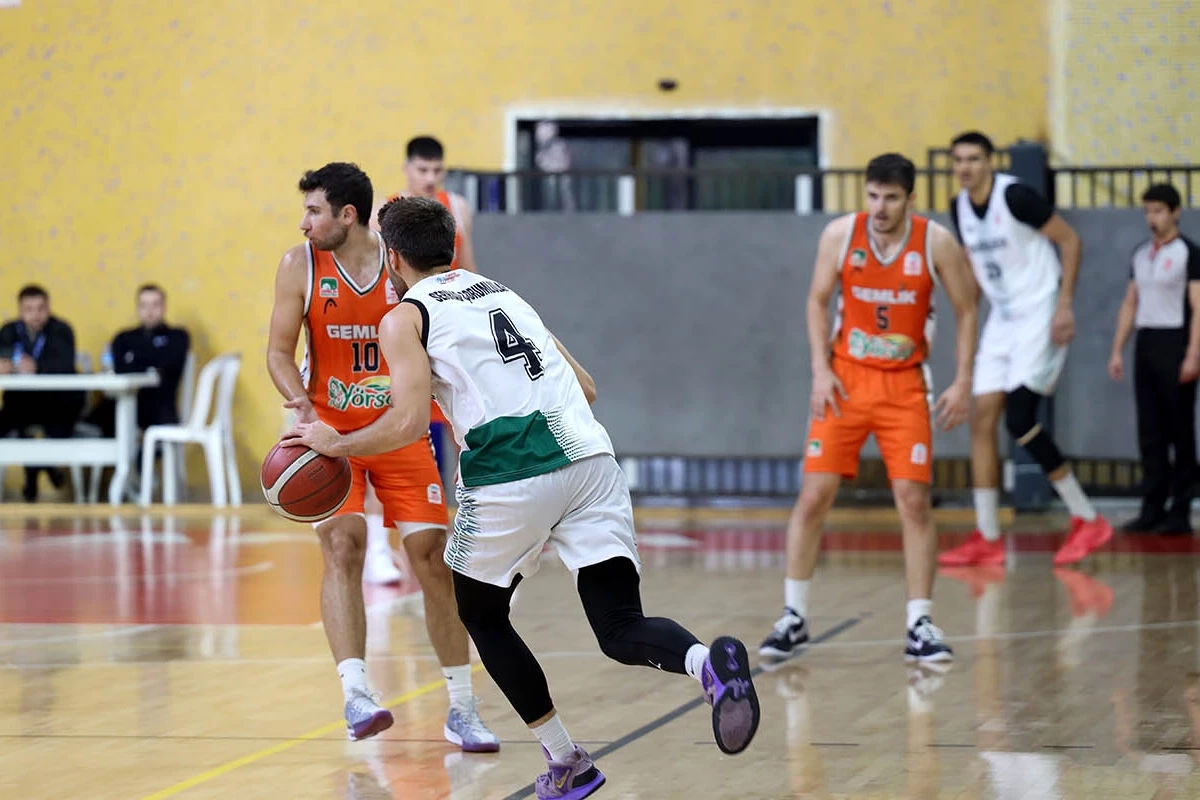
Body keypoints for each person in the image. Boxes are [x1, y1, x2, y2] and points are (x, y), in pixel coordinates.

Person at [283, 195, 760, 799]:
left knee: (481, 614)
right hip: (589, 457)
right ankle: (705, 663)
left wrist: (338, 441)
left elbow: (407, 424)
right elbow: (586, 387)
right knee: (620, 625)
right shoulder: (504, 295)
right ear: (451, 246)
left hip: (512, 465)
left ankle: (566, 760)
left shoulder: (405, 317)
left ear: (393, 257)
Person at [265, 163, 497, 749]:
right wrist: (301, 405)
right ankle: (356, 696)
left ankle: (462, 708)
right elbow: (278, 352)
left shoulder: (401, 266)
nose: (303, 223)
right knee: (342, 546)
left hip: (397, 431)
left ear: (347, 215)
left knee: (433, 558)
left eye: (313, 211)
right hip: (329, 432)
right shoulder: (299, 264)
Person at [757, 153, 979, 664]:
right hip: (846, 381)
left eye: (891, 198)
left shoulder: (935, 242)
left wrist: (964, 379)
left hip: (905, 384)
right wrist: (820, 369)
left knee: (913, 501)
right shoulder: (840, 235)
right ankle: (793, 616)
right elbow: (816, 300)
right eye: (873, 196)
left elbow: (967, 308)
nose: (880, 207)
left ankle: (920, 622)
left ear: (910, 199)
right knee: (814, 496)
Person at [938, 131, 1112, 569]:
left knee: (1019, 418)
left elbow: (1070, 241)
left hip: (1040, 310)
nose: (965, 167)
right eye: (958, 160)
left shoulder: (1015, 197)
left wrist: (1065, 306)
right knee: (982, 420)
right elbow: (977, 270)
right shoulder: (959, 208)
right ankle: (987, 537)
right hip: (1003, 317)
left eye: (973, 159)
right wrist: (961, 310)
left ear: (990, 162)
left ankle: (1087, 518)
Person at [1109, 183, 1200, 534]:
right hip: (1147, 341)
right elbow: (1130, 302)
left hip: (1175, 340)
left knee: (1179, 430)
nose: (1153, 218)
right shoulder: (1141, 254)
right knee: (1150, 430)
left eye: (1159, 210)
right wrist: (1118, 349)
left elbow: (1198, 307)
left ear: (1175, 212)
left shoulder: (1188, 253)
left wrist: (1193, 354)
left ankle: (1180, 509)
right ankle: (1152, 506)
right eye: (1148, 211)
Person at [0, 285, 84, 501]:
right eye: (29, 309)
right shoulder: (9, 331)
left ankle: (34, 472)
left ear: (48, 309)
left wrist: (37, 366)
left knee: (57, 429)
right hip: (21, 405)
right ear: (20, 311)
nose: (35, 315)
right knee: (12, 425)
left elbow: (65, 363)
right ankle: (45, 467)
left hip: (56, 404)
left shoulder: (61, 330)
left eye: (40, 308)